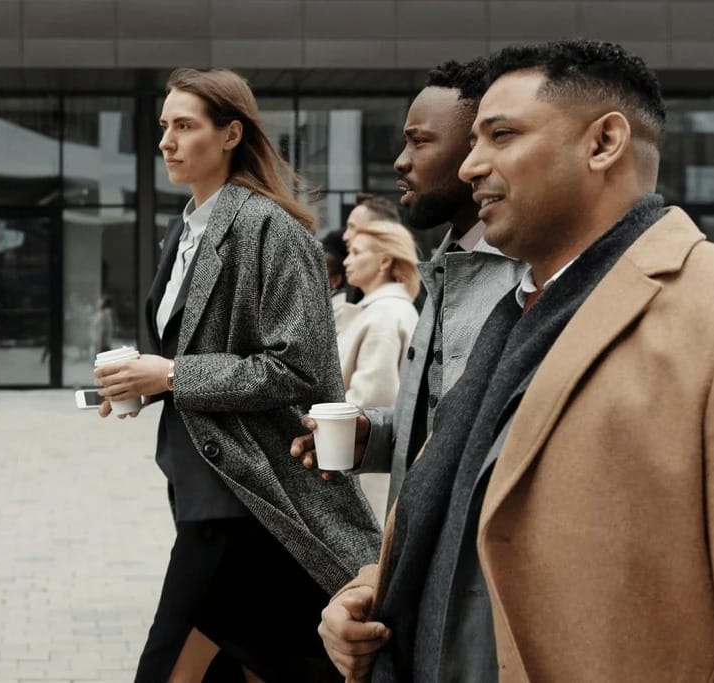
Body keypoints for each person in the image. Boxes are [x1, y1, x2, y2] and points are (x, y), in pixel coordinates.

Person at [318, 40, 714, 682]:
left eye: (501, 135)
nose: (472, 164)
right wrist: (372, 590)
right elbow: (478, 519)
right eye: (474, 140)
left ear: (603, 143)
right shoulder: (513, 313)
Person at [94, 67, 380, 683]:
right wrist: (134, 385)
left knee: (168, 666)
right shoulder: (185, 230)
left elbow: (300, 367)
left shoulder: (272, 230)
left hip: (249, 495)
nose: (166, 141)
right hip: (201, 486)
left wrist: (171, 376)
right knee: (266, 665)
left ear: (230, 134)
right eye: (163, 126)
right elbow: (185, 357)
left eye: (185, 126)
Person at [291, 58, 526, 510]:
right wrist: (373, 437)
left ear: (474, 150)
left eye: (420, 142)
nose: (401, 161)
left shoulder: (526, 277)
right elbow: (444, 429)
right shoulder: (448, 265)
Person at [338, 220, 421, 409]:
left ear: (384, 261)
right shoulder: (387, 308)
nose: (346, 261)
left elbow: (369, 402)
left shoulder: (385, 314)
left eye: (356, 252)